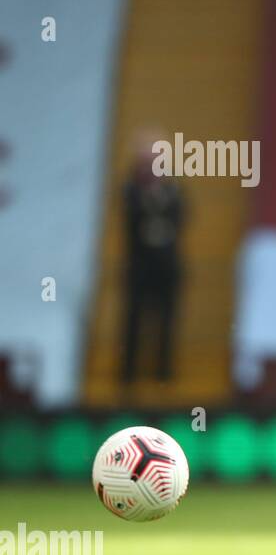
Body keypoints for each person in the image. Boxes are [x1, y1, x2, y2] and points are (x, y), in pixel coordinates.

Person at [121, 133, 185, 384]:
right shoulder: (131, 188)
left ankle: (163, 374)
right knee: (134, 319)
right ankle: (127, 375)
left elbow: (179, 220)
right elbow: (133, 222)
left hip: (167, 266)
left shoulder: (173, 189)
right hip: (139, 265)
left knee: (167, 320)